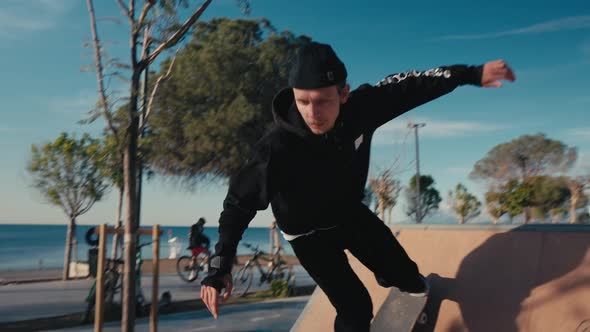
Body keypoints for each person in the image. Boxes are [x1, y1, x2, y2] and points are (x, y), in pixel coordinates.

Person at [200, 41, 515, 331]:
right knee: (355, 307)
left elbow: (412, 85)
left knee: (410, 280)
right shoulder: (275, 148)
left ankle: (389, 272)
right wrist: (219, 268)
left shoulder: (362, 109)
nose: (312, 113)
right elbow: (238, 205)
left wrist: (471, 74)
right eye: (303, 101)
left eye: (323, 101)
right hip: (307, 236)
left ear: (344, 93)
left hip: (348, 214)